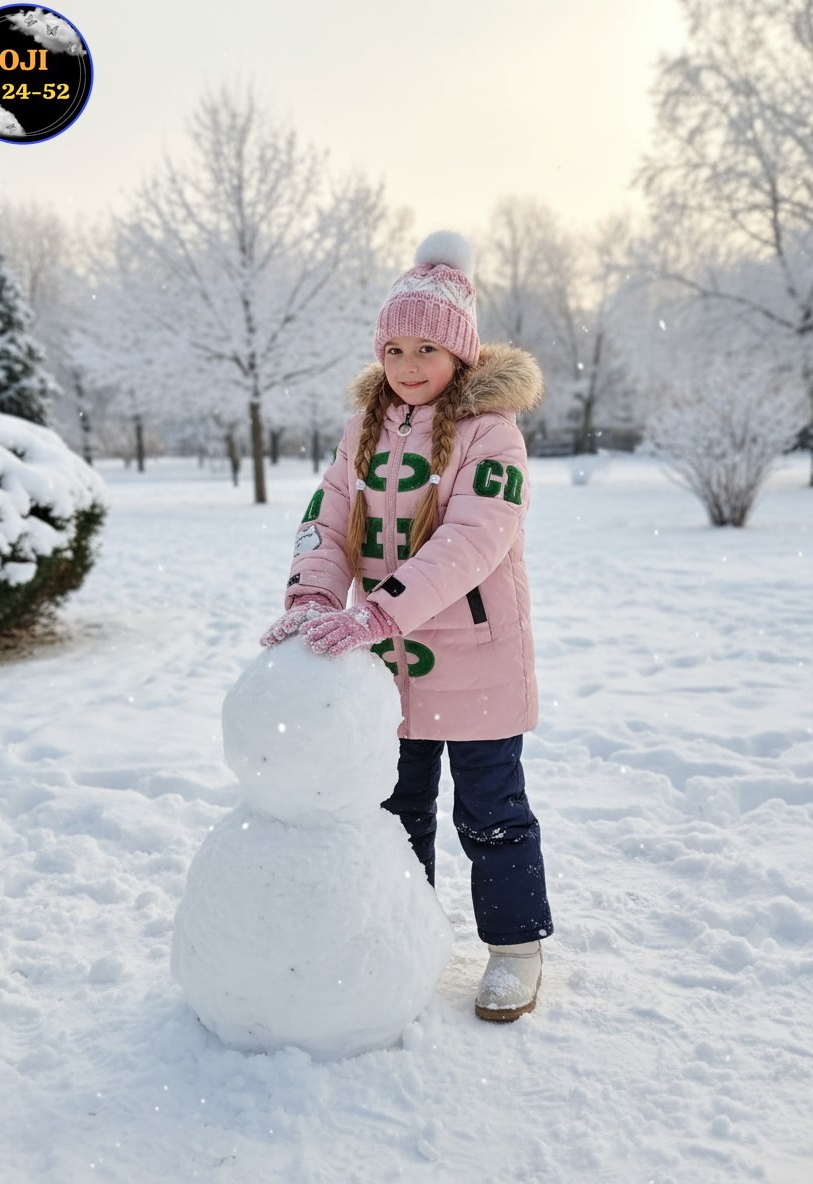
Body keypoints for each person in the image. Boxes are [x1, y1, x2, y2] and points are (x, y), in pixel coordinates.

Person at [260, 231, 553, 1022]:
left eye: (427, 345)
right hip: (383, 665)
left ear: (460, 352)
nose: (407, 363)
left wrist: (381, 607)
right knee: (396, 813)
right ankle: (409, 938)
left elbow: (474, 541)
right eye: (393, 346)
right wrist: (313, 602)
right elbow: (324, 523)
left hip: (478, 666)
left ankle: (515, 951)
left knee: (490, 814)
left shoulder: (493, 433)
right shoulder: (362, 431)